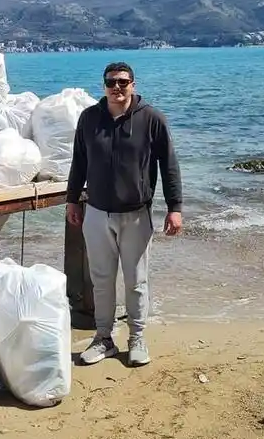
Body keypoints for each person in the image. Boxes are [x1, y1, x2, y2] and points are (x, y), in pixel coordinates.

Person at [65, 62, 182, 368]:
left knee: (136, 282)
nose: (116, 88)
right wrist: (72, 200)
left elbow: (169, 166)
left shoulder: (152, 119)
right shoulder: (89, 118)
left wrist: (175, 208)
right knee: (101, 280)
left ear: (133, 84)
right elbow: (78, 162)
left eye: (122, 82)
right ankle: (103, 339)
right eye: (110, 83)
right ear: (103, 86)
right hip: (97, 212)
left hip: (136, 215)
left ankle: (137, 339)